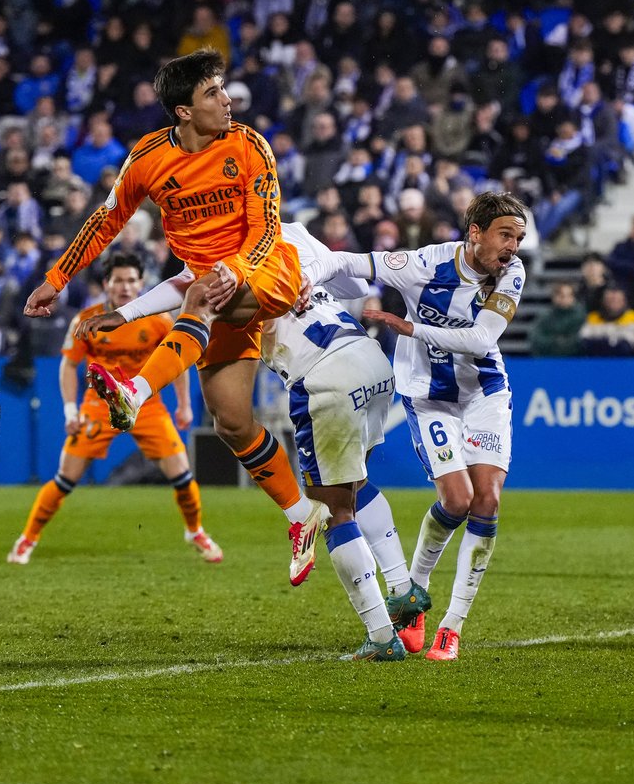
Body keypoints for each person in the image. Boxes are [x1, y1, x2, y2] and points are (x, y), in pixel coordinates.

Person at [22, 50, 325, 586]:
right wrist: (57, 278)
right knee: (230, 421)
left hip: (267, 268)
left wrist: (234, 268)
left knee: (199, 297)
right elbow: (106, 219)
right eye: (213, 93)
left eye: (223, 89)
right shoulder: (146, 159)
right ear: (183, 112)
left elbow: (264, 225)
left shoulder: (249, 144)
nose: (227, 99)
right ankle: (301, 516)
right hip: (214, 288)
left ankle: (134, 393)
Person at [90, 223, 414, 661]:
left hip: (326, 377)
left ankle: (380, 635)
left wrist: (129, 313)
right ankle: (405, 597)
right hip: (372, 360)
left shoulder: (224, 248)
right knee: (353, 484)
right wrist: (311, 272)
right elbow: (355, 281)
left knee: (334, 506)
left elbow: (192, 290)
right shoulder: (293, 233)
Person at [313, 192, 528, 661]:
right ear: (475, 233)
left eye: (519, 238)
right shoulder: (423, 265)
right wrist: (306, 273)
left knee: (487, 499)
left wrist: (410, 329)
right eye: (505, 235)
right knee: (457, 499)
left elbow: (481, 338)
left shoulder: (512, 273)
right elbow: (350, 261)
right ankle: (415, 596)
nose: (513, 247)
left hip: (483, 392)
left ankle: (452, 626)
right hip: (428, 395)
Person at [7, 253, 218, 566]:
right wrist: (69, 411)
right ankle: (27, 539)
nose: (125, 286)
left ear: (142, 283)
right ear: (106, 284)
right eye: (118, 280)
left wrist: (185, 405)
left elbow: (179, 360)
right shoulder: (87, 320)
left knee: (183, 476)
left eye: (132, 280)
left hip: (146, 405)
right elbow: (68, 366)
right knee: (66, 479)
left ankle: (195, 531)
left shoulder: (159, 320)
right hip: (99, 407)